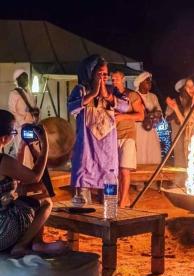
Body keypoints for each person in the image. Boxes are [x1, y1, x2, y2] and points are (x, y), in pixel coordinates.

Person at [0, 109, 67, 256]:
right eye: (13, 132)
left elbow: (16, 173)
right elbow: (35, 176)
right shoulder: (3, 161)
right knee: (45, 201)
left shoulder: (4, 162)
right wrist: (45, 146)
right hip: (3, 232)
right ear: (4, 138)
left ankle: (36, 242)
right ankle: (24, 245)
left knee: (30, 194)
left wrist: (23, 147)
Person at [68, 55, 128, 203]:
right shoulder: (81, 90)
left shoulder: (113, 91)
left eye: (106, 74)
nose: (104, 78)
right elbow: (71, 108)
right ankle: (82, 224)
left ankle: (108, 223)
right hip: (86, 153)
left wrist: (106, 95)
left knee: (109, 202)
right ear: (90, 73)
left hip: (108, 155)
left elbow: (125, 106)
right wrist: (93, 93)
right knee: (82, 203)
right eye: (100, 74)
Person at [111, 71, 144, 208]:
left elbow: (141, 116)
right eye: (112, 79)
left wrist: (122, 117)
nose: (114, 81)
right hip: (112, 136)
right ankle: (120, 197)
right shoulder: (109, 95)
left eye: (116, 79)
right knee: (114, 171)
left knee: (125, 169)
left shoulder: (132, 95)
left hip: (128, 135)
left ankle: (123, 201)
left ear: (123, 79)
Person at [166, 78, 194, 162]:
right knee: (191, 165)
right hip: (189, 138)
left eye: (192, 86)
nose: (190, 89)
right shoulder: (187, 105)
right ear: (184, 89)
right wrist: (175, 108)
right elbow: (185, 123)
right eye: (188, 86)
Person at [8, 69, 39, 167]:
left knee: (33, 149)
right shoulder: (14, 94)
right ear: (17, 80)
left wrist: (36, 113)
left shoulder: (29, 93)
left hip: (32, 125)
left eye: (26, 78)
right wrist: (23, 120)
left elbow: (35, 107)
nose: (25, 80)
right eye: (22, 78)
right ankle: (24, 173)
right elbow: (12, 111)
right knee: (24, 150)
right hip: (21, 127)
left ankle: (34, 172)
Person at [134, 72, 162, 164]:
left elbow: (159, 112)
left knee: (152, 151)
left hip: (151, 129)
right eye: (147, 81)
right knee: (140, 152)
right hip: (138, 128)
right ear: (140, 83)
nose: (150, 83)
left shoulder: (153, 96)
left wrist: (153, 115)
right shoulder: (134, 95)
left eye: (150, 81)